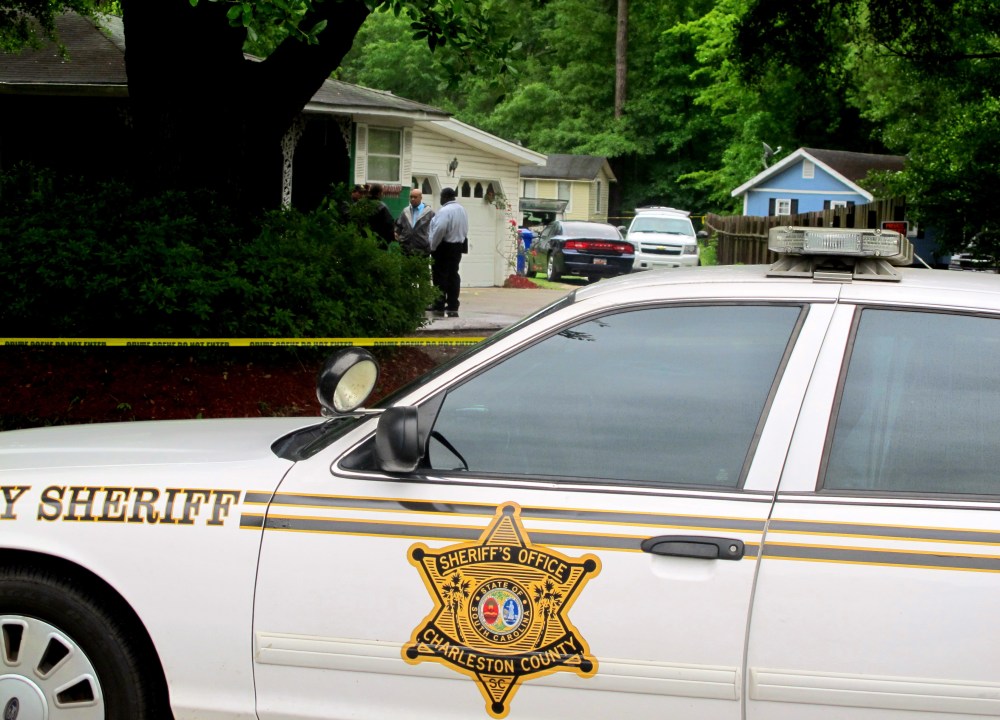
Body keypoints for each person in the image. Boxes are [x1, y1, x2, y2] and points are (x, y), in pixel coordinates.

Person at [427, 187, 469, 317]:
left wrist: (432, 246)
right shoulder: (462, 210)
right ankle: (452, 304)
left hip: (444, 246)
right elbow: (465, 228)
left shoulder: (444, 211)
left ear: (444, 197)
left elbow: (440, 229)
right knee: (453, 275)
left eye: (441, 196)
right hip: (458, 246)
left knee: (440, 276)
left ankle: (439, 304)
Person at [394, 188, 435, 255]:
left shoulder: (429, 212)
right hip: (406, 249)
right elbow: (398, 225)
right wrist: (397, 234)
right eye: (411, 197)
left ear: (421, 198)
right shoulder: (405, 211)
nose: (412, 199)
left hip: (422, 249)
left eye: (415, 197)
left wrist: (429, 243)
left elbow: (434, 229)